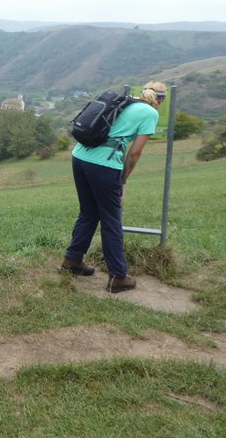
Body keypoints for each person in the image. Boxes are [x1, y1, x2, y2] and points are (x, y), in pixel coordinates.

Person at [61, 81, 167, 293]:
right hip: (104, 164)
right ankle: (118, 276)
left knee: (89, 211)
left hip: (80, 156)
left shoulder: (125, 102)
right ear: (161, 100)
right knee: (111, 219)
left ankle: (72, 259)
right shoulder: (150, 113)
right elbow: (135, 153)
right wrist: (123, 180)